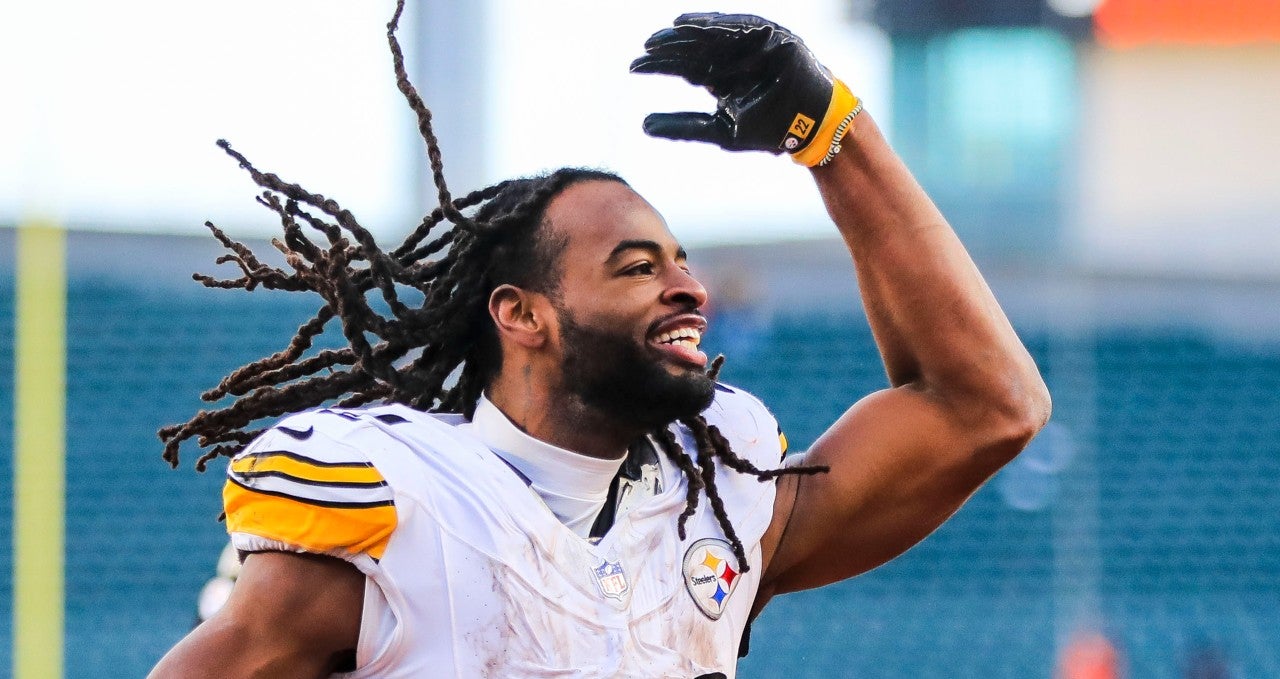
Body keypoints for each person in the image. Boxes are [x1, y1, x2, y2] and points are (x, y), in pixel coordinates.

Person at [150, 4, 1050, 678]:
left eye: (682, 262)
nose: (688, 287)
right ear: (523, 314)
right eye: (636, 267)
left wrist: (832, 135)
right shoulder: (406, 509)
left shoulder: (721, 499)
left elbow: (989, 406)